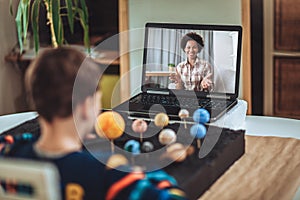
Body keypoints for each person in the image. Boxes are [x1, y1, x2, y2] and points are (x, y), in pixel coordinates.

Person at [0, 47, 187, 200]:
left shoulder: (11, 153)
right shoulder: (107, 175)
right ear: (85, 106)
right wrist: (146, 173)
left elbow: (8, 141)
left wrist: (29, 140)